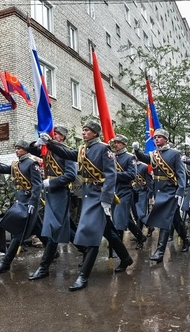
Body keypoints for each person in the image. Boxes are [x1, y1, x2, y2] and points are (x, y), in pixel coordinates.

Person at [39, 120, 133, 291]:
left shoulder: (104, 149)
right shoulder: (83, 149)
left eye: (87, 130)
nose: (84, 133)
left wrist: (106, 198)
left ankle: (83, 276)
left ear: (95, 133)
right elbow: (67, 153)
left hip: (99, 195)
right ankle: (126, 258)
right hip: (88, 194)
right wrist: (49, 143)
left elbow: (111, 176)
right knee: (106, 231)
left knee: (91, 235)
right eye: (83, 130)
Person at [0, 140, 42, 274]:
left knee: (18, 233)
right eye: (16, 148)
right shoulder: (16, 164)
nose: (16, 151)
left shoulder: (33, 163)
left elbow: (37, 186)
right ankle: (55, 251)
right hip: (21, 200)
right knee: (38, 228)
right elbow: (4, 169)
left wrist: (33, 203)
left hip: (29, 202)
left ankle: (5, 263)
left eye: (19, 148)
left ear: (26, 150)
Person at [26, 125, 77, 281]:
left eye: (57, 134)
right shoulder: (48, 150)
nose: (54, 136)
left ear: (63, 137)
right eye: (53, 133)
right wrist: (38, 141)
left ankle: (44, 268)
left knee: (54, 229)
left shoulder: (66, 152)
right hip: (50, 194)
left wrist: (51, 183)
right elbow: (31, 149)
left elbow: (71, 175)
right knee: (64, 227)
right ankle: (88, 250)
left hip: (60, 193)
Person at [133, 128, 190, 262]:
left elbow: (181, 173)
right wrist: (136, 150)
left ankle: (160, 251)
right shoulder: (154, 154)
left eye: (159, 137)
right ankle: (186, 239)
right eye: (155, 137)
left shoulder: (174, 154)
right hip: (159, 191)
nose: (156, 139)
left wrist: (181, 191)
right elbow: (145, 159)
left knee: (164, 220)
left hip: (170, 191)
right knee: (175, 219)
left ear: (166, 139)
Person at [110, 134, 146, 249]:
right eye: (115, 143)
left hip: (125, 191)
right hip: (114, 190)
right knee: (124, 218)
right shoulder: (112, 156)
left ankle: (118, 248)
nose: (116, 145)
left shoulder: (130, 157)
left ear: (124, 144)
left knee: (119, 219)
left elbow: (132, 174)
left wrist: (115, 175)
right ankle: (140, 236)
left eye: (118, 143)